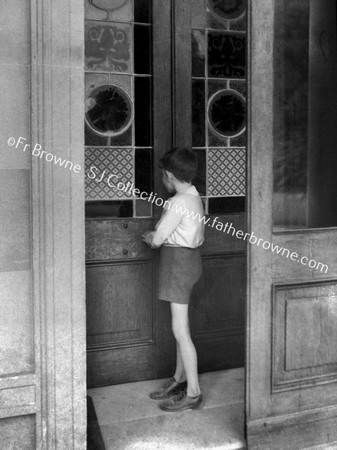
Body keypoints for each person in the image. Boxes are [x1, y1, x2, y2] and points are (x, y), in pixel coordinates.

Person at [142, 147, 205, 412]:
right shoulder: (193, 195)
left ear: (169, 175)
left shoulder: (178, 202)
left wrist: (150, 237)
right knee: (181, 330)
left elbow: (157, 240)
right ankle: (179, 379)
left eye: (163, 176)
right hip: (190, 262)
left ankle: (193, 392)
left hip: (177, 265)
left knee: (180, 330)